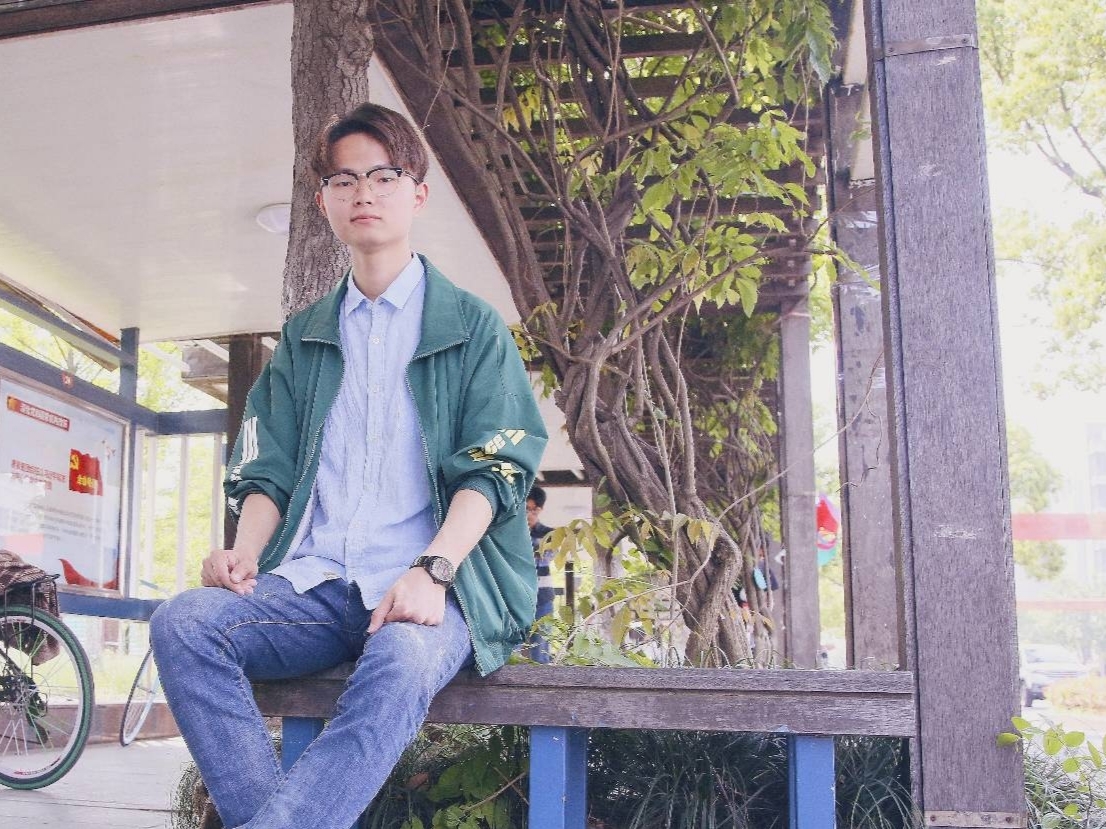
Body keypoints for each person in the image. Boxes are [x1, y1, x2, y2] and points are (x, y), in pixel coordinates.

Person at [149, 102, 547, 829]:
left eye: (384, 175)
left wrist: (433, 570)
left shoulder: (472, 327)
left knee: (401, 660)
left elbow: (496, 468)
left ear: (417, 193)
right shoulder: (305, 337)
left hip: (431, 586)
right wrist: (243, 553)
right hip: (315, 585)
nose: (364, 192)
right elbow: (267, 471)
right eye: (344, 180)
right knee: (186, 623)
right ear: (325, 201)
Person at [525, 485, 554, 663]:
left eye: (532, 510)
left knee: (541, 648)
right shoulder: (510, 531)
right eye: (525, 509)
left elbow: (546, 555)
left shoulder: (549, 534)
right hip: (515, 596)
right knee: (512, 646)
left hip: (542, 597)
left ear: (539, 509)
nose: (528, 514)